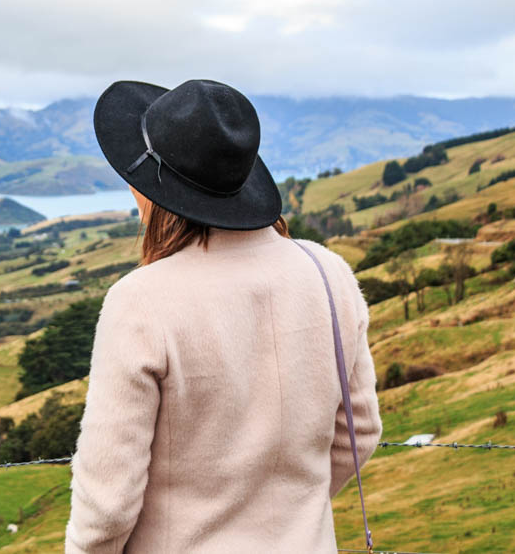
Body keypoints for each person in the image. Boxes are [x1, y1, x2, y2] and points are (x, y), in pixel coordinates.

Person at [65, 79, 381, 553]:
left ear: (151, 187)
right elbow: (360, 432)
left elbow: (108, 503)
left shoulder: (141, 301)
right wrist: (290, 515)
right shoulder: (328, 271)